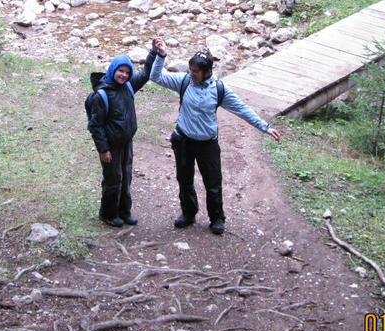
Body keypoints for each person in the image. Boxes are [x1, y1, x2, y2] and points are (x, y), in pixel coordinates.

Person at [149, 37, 280, 235]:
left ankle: (217, 219)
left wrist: (264, 127)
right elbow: (156, 76)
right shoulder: (184, 81)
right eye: (190, 70)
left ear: (207, 71)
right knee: (184, 179)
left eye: (195, 71)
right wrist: (161, 55)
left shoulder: (219, 89)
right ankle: (189, 213)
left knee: (213, 183)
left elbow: (242, 109)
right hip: (183, 140)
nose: (191, 74)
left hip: (207, 144)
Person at [87, 48, 157, 227]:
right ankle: (108, 214)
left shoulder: (128, 86)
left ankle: (125, 212)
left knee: (126, 177)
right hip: (111, 145)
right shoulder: (101, 95)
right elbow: (96, 125)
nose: (124, 75)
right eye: (120, 71)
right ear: (112, 70)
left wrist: (154, 53)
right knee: (113, 179)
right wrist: (103, 149)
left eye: (127, 72)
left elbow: (145, 74)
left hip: (126, 142)